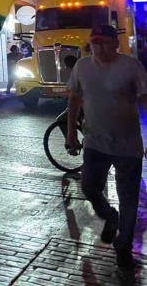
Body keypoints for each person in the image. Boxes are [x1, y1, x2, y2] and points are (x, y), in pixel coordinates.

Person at [67, 25, 147, 269]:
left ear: (115, 44)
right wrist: (71, 133)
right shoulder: (83, 66)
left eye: (103, 42)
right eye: (94, 43)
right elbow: (74, 99)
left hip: (127, 145)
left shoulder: (131, 67)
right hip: (95, 142)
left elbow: (145, 99)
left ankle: (123, 246)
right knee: (90, 187)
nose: (98, 47)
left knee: (129, 199)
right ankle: (109, 216)